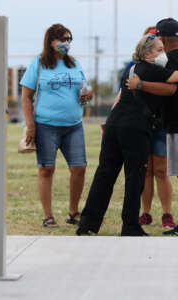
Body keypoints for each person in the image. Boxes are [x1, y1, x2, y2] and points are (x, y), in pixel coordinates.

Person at [77, 33, 178, 236]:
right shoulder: (152, 69)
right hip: (135, 128)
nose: (163, 54)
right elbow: (175, 80)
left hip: (115, 124)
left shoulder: (131, 69)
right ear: (147, 53)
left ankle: (88, 223)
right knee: (135, 176)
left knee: (104, 174)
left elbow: (121, 95)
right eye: (159, 50)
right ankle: (130, 225)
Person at [20, 24, 92, 228]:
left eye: (69, 39)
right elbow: (26, 97)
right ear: (50, 41)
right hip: (46, 126)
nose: (66, 43)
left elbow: (85, 90)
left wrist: (87, 96)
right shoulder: (39, 64)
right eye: (62, 39)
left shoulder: (75, 63)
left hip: (74, 125)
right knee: (46, 169)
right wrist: (30, 125)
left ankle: (73, 212)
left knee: (79, 168)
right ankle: (48, 216)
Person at [126, 18, 178, 235]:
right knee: (148, 171)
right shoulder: (152, 64)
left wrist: (141, 84)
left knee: (162, 171)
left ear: (164, 39)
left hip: (170, 123)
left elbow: (171, 88)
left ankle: (166, 214)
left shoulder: (167, 61)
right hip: (163, 123)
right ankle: (146, 212)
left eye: (158, 42)